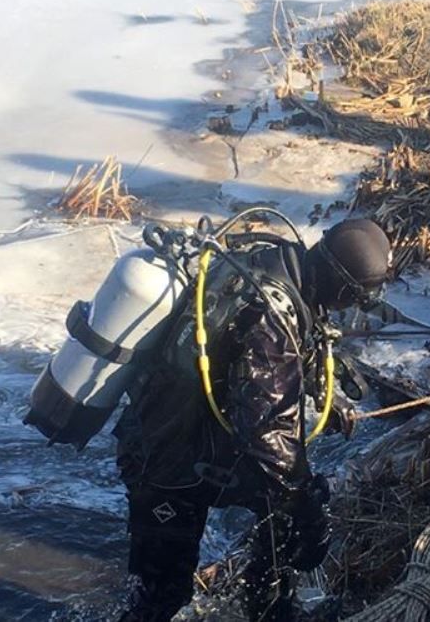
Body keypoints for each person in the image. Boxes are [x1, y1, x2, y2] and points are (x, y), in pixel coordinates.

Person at [114, 218, 392, 622]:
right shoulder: (272, 315)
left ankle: (268, 608)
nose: (353, 307)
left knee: (279, 518)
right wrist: (308, 510)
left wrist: (326, 396)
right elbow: (267, 431)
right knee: (162, 596)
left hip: (201, 441)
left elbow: (275, 359)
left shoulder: (282, 267)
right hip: (165, 461)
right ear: (341, 285)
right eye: (357, 298)